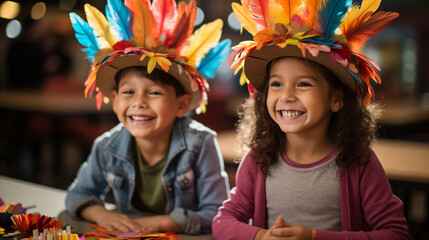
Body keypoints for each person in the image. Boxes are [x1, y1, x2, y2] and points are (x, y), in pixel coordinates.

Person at [212, 0, 409, 239]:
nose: (286, 96)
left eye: (303, 84)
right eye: (276, 84)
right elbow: (222, 221)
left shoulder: (360, 163)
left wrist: (314, 236)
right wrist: (261, 236)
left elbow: (396, 234)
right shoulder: (258, 158)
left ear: (336, 99)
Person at [65, 0, 231, 235]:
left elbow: (217, 213)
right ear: (115, 100)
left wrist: (163, 223)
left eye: (154, 92)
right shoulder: (106, 147)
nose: (139, 103)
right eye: (128, 92)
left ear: (181, 104)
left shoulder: (201, 144)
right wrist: (100, 213)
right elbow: (77, 194)